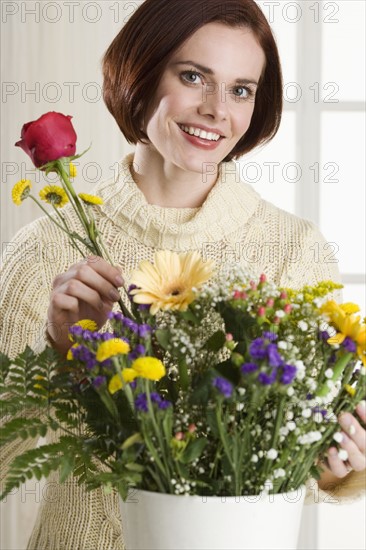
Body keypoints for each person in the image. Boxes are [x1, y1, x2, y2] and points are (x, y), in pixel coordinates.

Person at [1, 1, 365, 548]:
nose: (217, 109)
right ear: (141, 74)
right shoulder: (46, 248)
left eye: (241, 89)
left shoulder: (294, 251)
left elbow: (299, 469)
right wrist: (54, 347)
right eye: (193, 76)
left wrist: (340, 463)